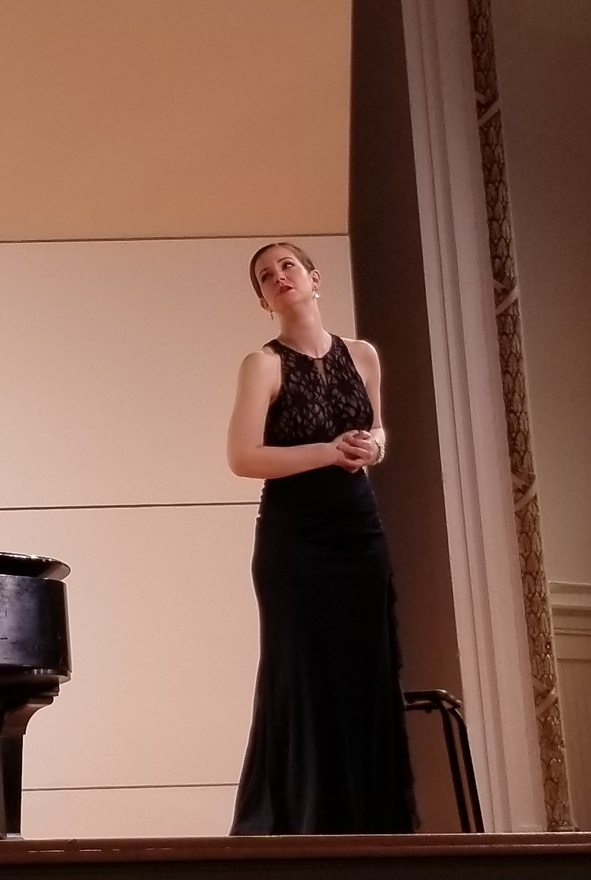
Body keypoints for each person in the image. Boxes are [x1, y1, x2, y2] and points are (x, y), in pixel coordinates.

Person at [224, 242, 414, 834]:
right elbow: (243, 457)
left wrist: (371, 448)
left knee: (366, 672)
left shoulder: (363, 355)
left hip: (359, 532)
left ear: (314, 278)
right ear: (262, 299)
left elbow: (378, 432)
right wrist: (328, 452)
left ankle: (371, 827)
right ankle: (297, 828)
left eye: (287, 266)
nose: (278, 276)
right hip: (295, 540)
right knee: (299, 676)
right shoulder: (263, 363)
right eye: (265, 276)